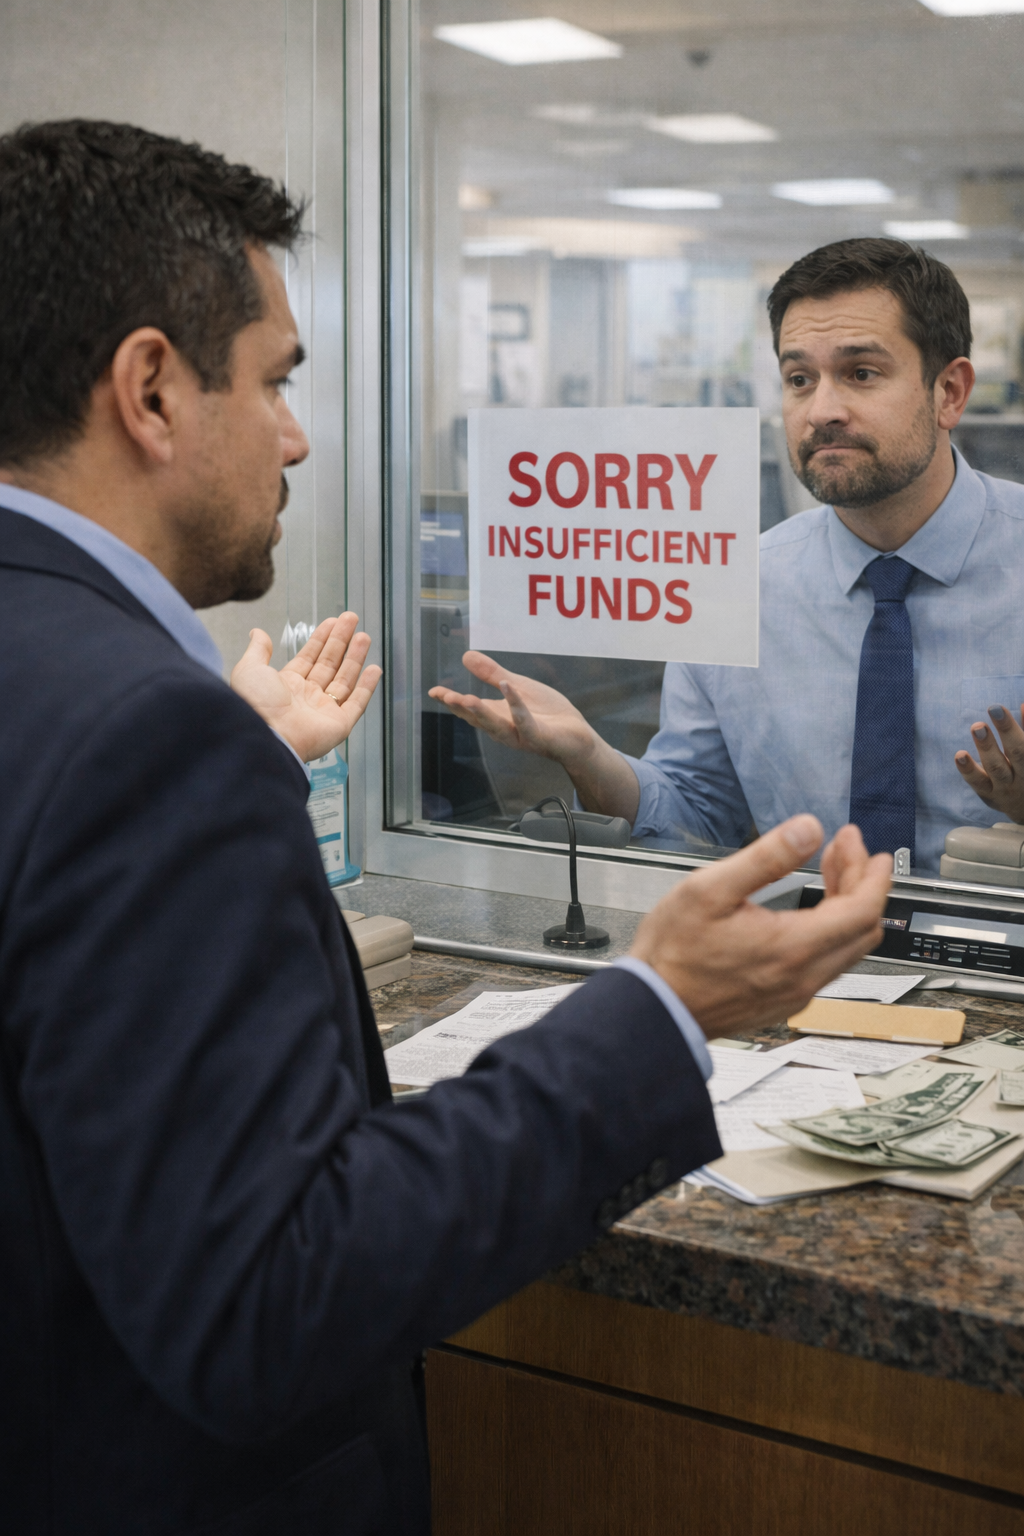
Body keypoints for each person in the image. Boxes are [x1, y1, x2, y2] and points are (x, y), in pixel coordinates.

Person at [0, 120, 891, 1536]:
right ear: (151, 391)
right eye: (279, 382)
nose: (299, 438)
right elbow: (264, 1303)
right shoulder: (150, 733)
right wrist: (659, 1010)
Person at [432, 238, 1024, 873]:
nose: (821, 409)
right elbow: (696, 814)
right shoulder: (737, 584)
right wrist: (587, 754)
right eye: (800, 379)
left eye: (861, 373)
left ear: (950, 392)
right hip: (806, 950)